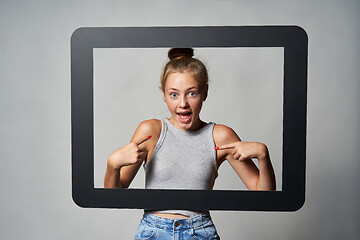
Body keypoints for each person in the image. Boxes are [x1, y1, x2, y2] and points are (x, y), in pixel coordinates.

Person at [104, 48, 276, 239]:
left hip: (199, 232)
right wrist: (112, 165)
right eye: (174, 94)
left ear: (205, 93)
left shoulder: (220, 136)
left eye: (192, 93)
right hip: (153, 231)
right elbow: (114, 198)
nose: (183, 103)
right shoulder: (150, 132)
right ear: (163, 95)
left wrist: (263, 156)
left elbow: (265, 198)